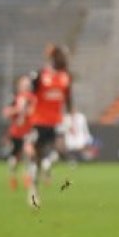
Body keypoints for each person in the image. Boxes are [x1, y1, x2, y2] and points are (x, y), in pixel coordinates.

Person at [27, 45, 73, 206]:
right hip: (39, 121)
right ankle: (33, 191)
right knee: (36, 157)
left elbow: (68, 99)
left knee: (61, 149)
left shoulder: (65, 77)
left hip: (56, 121)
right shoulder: (40, 75)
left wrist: (71, 118)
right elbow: (30, 94)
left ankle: (48, 164)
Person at [1, 75, 35, 192]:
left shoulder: (33, 98)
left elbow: (35, 111)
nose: (26, 85)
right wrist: (17, 109)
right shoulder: (14, 98)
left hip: (29, 132)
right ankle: (13, 177)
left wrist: (28, 111)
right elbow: (5, 112)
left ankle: (27, 177)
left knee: (29, 153)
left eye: (27, 83)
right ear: (19, 85)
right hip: (16, 133)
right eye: (23, 83)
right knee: (14, 159)